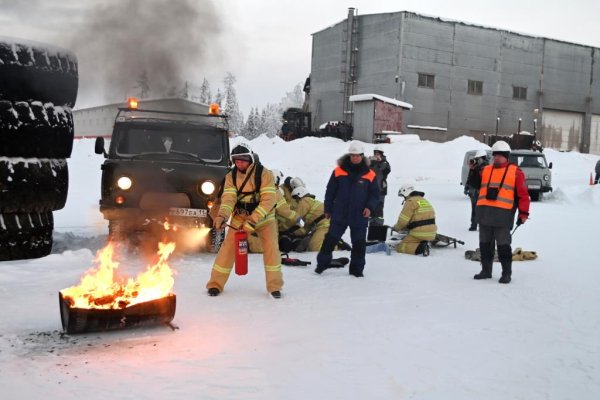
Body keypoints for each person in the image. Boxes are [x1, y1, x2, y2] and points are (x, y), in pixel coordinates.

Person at [206, 144, 283, 298]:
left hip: (265, 218)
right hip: (240, 217)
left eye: (243, 160)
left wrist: (253, 220)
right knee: (227, 249)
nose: (239, 163)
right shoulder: (230, 176)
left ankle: (274, 287)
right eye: (236, 160)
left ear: (250, 159)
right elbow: (228, 199)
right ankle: (215, 284)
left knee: (272, 250)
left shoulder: (264, 174)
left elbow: (268, 200)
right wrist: (222, 217)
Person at [315, 140, 380, 277]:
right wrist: (328, 208)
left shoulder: (370, 174)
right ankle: (322, 264)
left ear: (362, 156)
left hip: (360, 215)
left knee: (359, 244)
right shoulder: (338, 171)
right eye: (353, 155)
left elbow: (375, 195)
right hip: (340, 213)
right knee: (330, 240)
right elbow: (330, 191)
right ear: (349, 155)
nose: (355, 158)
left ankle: (357, 270)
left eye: (358, 155)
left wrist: (369, 207)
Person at [474, 140, 530, 284]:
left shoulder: (516, 172)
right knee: (484, 245)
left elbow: (523, 195)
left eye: (500, 155)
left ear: (506, 156)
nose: (496, 158)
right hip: (484, 215)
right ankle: (486, 271)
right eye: (495, 155)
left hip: (502, 217)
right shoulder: (486, 170)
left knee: (503, 247)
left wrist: (523, 214)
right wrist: (473, 170)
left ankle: (506, 274)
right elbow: (473, 185)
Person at [393, 185, 438, 255]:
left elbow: (402, 221)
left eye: (403, 196)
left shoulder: (410, 201)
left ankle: (422, 247)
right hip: (432, 233)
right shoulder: (423, 200)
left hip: (420, 233)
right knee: (412, 238)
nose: (404, 199)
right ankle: (424, 242)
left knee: (401, 246)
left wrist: (396, 228)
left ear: (406, 193)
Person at [285, 186, 330, 251]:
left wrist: (285, 228)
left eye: (295, 198)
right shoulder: (311, 203)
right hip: (326, 225)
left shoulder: (305, 200)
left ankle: (338, 244)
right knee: (312, 244)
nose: (296, 201)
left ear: (299, 194)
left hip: (325, 225)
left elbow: (296, 217)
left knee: (314, 247)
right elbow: (305, 227)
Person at [369, 145, 392, 226]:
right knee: (370, 207)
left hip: (381, 189)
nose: (376, 155)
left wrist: (380, 162)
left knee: (379, 208)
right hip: (370, 189)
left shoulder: (385, 163)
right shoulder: (371, 162)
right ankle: (371, 223)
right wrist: (369, 162)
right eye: (375, 153)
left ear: (382, 154)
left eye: (378, 153)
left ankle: (378, 226)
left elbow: (386, 170)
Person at [466, 150, 488, 231]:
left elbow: (482, 179)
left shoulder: (486, 167)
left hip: (481, 192)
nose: (476, 160)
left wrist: (475, 169)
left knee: (481, 209)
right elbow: (470, 177)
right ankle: (473, 224)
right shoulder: (474, 167)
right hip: (474, 192)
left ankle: (482, 225)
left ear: (482, 158)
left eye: (477, 158)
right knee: (474, 209)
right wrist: (467, 186)